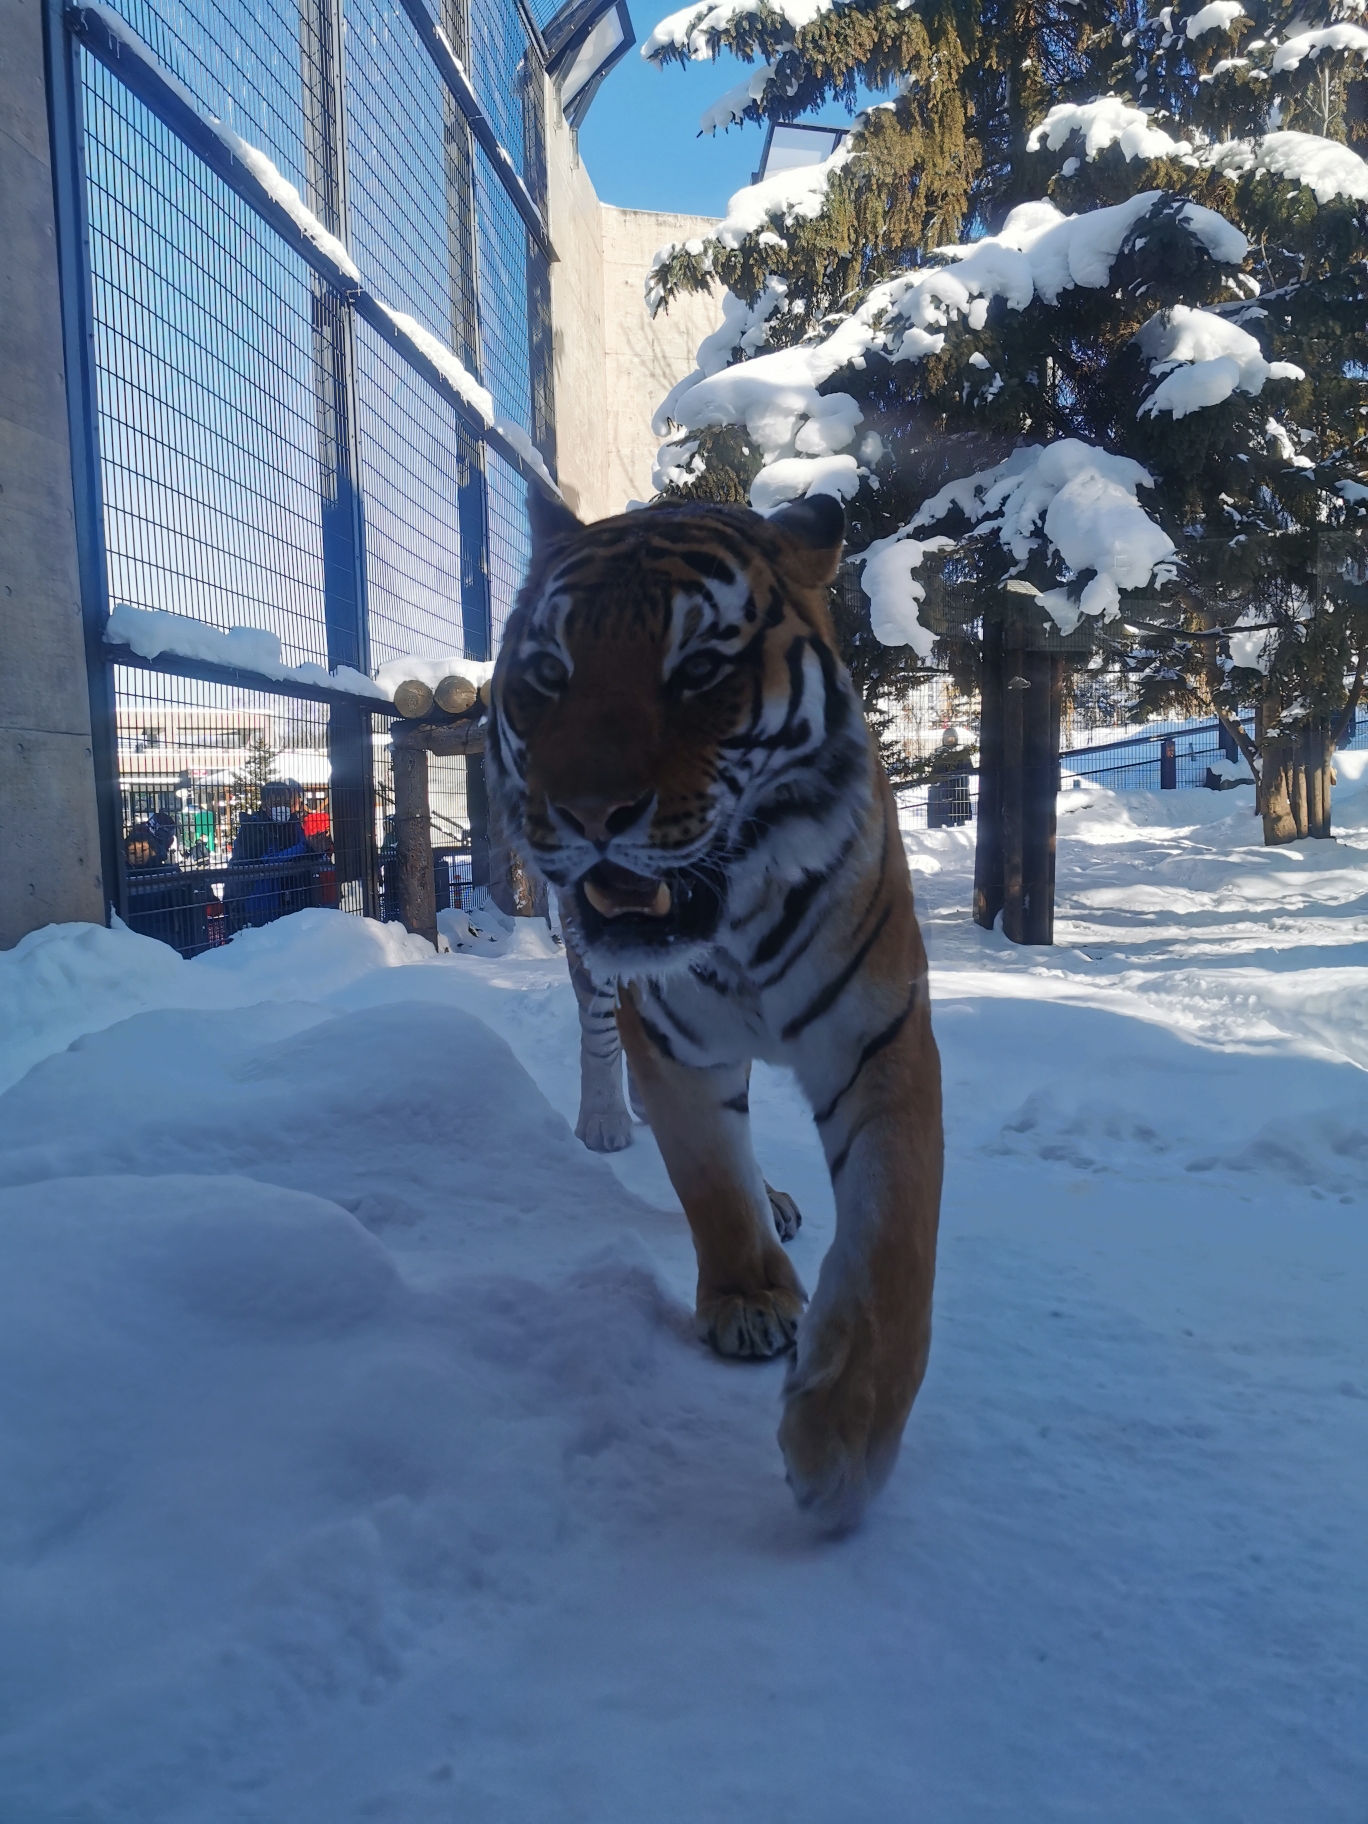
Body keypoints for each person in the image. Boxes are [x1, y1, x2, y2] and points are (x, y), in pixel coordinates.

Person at [225, 779, 318, 931]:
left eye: (287, 803)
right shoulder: (252, 827)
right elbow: (267, 859)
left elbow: (304, 852)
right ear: (264, 803)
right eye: (276, 803)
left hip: (290, 900)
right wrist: (305, 847)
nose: (283, 808)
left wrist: (316, 849)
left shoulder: (293, 824)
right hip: (256, 902)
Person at [122, 823, 221, 955]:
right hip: (138, 937)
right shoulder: (124, 877)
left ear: (154, 851)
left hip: (168, 935)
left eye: (143, 850)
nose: (139, 855)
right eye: (133, 852)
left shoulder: (169, 872)